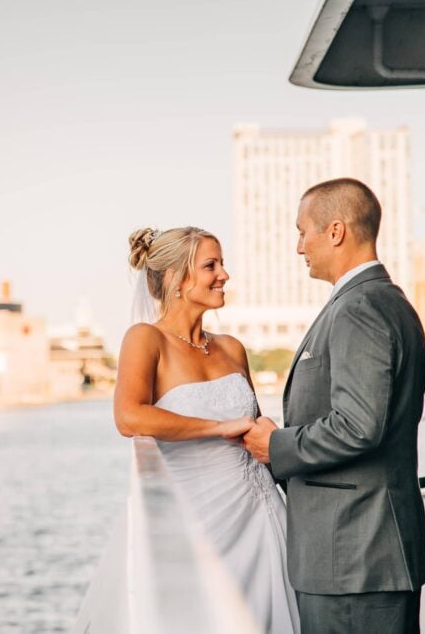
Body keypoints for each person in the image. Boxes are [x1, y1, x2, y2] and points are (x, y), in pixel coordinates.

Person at [241, 178, 425, 634]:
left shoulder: (359, 307)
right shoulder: (385, 301)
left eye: (302, 231)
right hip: (360, 553)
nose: (298, 246)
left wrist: (276, 446)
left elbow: (359, 426)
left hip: (353, 554)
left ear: (336, 231)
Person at [113, 225, 300, 634]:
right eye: (211, 265)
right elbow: (129, 417)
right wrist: (218, 427)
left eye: (222, 264)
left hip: (262, 512)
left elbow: (255, 435)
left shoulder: (232, 347)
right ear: (179, 279)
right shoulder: (146, 339)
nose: (224, 275)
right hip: (202, 520)